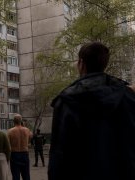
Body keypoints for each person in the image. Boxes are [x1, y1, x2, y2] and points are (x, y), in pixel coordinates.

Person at [49, 42, 135, 180]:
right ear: (105, 64)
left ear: (81, 63)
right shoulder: (127, 96)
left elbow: (59, 154)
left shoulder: (66, 101)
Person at [7, 114, 33, 180]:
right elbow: (31, 137)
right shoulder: (27, 130)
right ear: (21, 121)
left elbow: (8, 144)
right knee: (26, 175)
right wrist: (23, 126)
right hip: (24, 153)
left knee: (15, 176)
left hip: (14, 154)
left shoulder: (10, 131)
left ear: (13, 121)